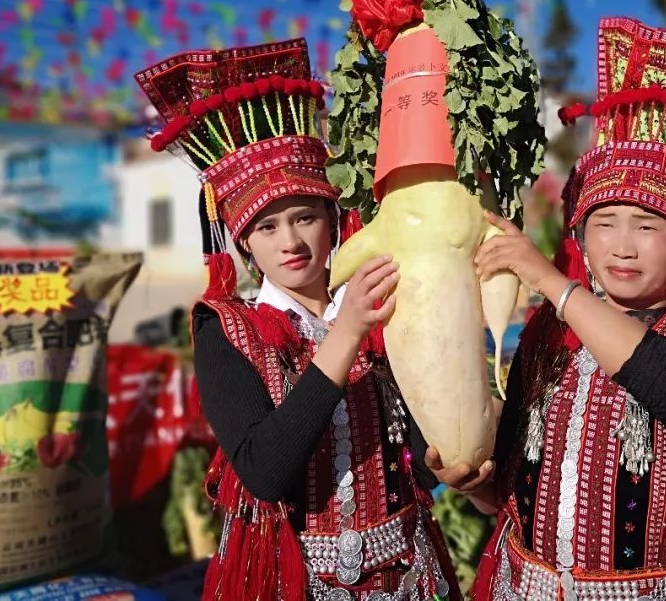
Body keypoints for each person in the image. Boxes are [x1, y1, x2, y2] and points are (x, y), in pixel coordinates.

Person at [430, 18, 666, 600]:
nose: (622, 245)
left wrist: (549, 281)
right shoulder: (547, 340)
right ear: (581, 234)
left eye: (648, 225)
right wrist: (468, 481)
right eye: (604, 223)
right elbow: (509, 491)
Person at [134, 39, 459, 601]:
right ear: (243, 245)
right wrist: (349, 331)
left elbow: (414, 450)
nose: (290, 242)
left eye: (304, 217)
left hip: (410, 569)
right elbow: (264, 470)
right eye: (266, 228)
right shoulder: (227, 329)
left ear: (333, 221)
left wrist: (437, 458)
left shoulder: (385, 302)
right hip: (297, 581)